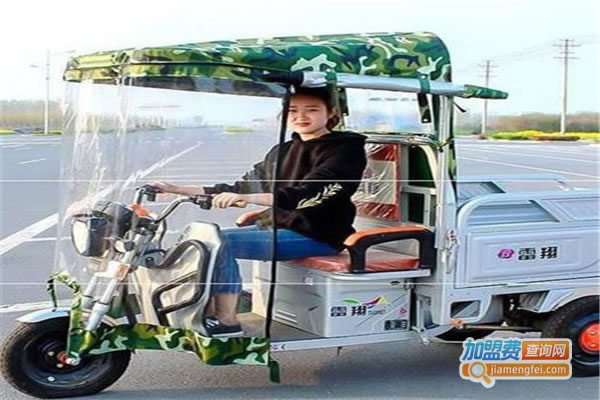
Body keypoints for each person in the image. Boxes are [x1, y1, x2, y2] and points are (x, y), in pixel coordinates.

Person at [151, 87, 367, 337]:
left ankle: (226, 320)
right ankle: (204, 310)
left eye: (312, 109)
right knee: (202, 239)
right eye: (293, 110)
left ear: (331, 113)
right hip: (280, 226)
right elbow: (244, 186)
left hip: (318, 234)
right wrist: (176, 189)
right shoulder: (283, 150)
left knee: (221, 243)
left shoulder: (345, 150)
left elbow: (307, 194)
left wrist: (247, 199)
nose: (301, 116)